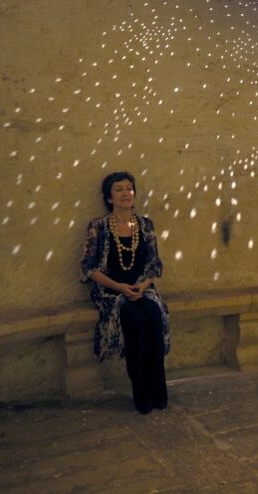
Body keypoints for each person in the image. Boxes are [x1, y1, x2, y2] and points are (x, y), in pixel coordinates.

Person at [80, 171, 170, 414]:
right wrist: (119, 287)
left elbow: (154, 265)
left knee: (153, 315)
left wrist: (143, 285)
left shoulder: (145, 225)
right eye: (119, 189)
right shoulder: (98, 227)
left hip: (142, 288)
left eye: (129, 188)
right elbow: (88, 268)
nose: (126, 193)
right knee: (134, 320)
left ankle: (158, 392)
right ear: (109, 197)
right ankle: (141, 394)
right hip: (111, 291)